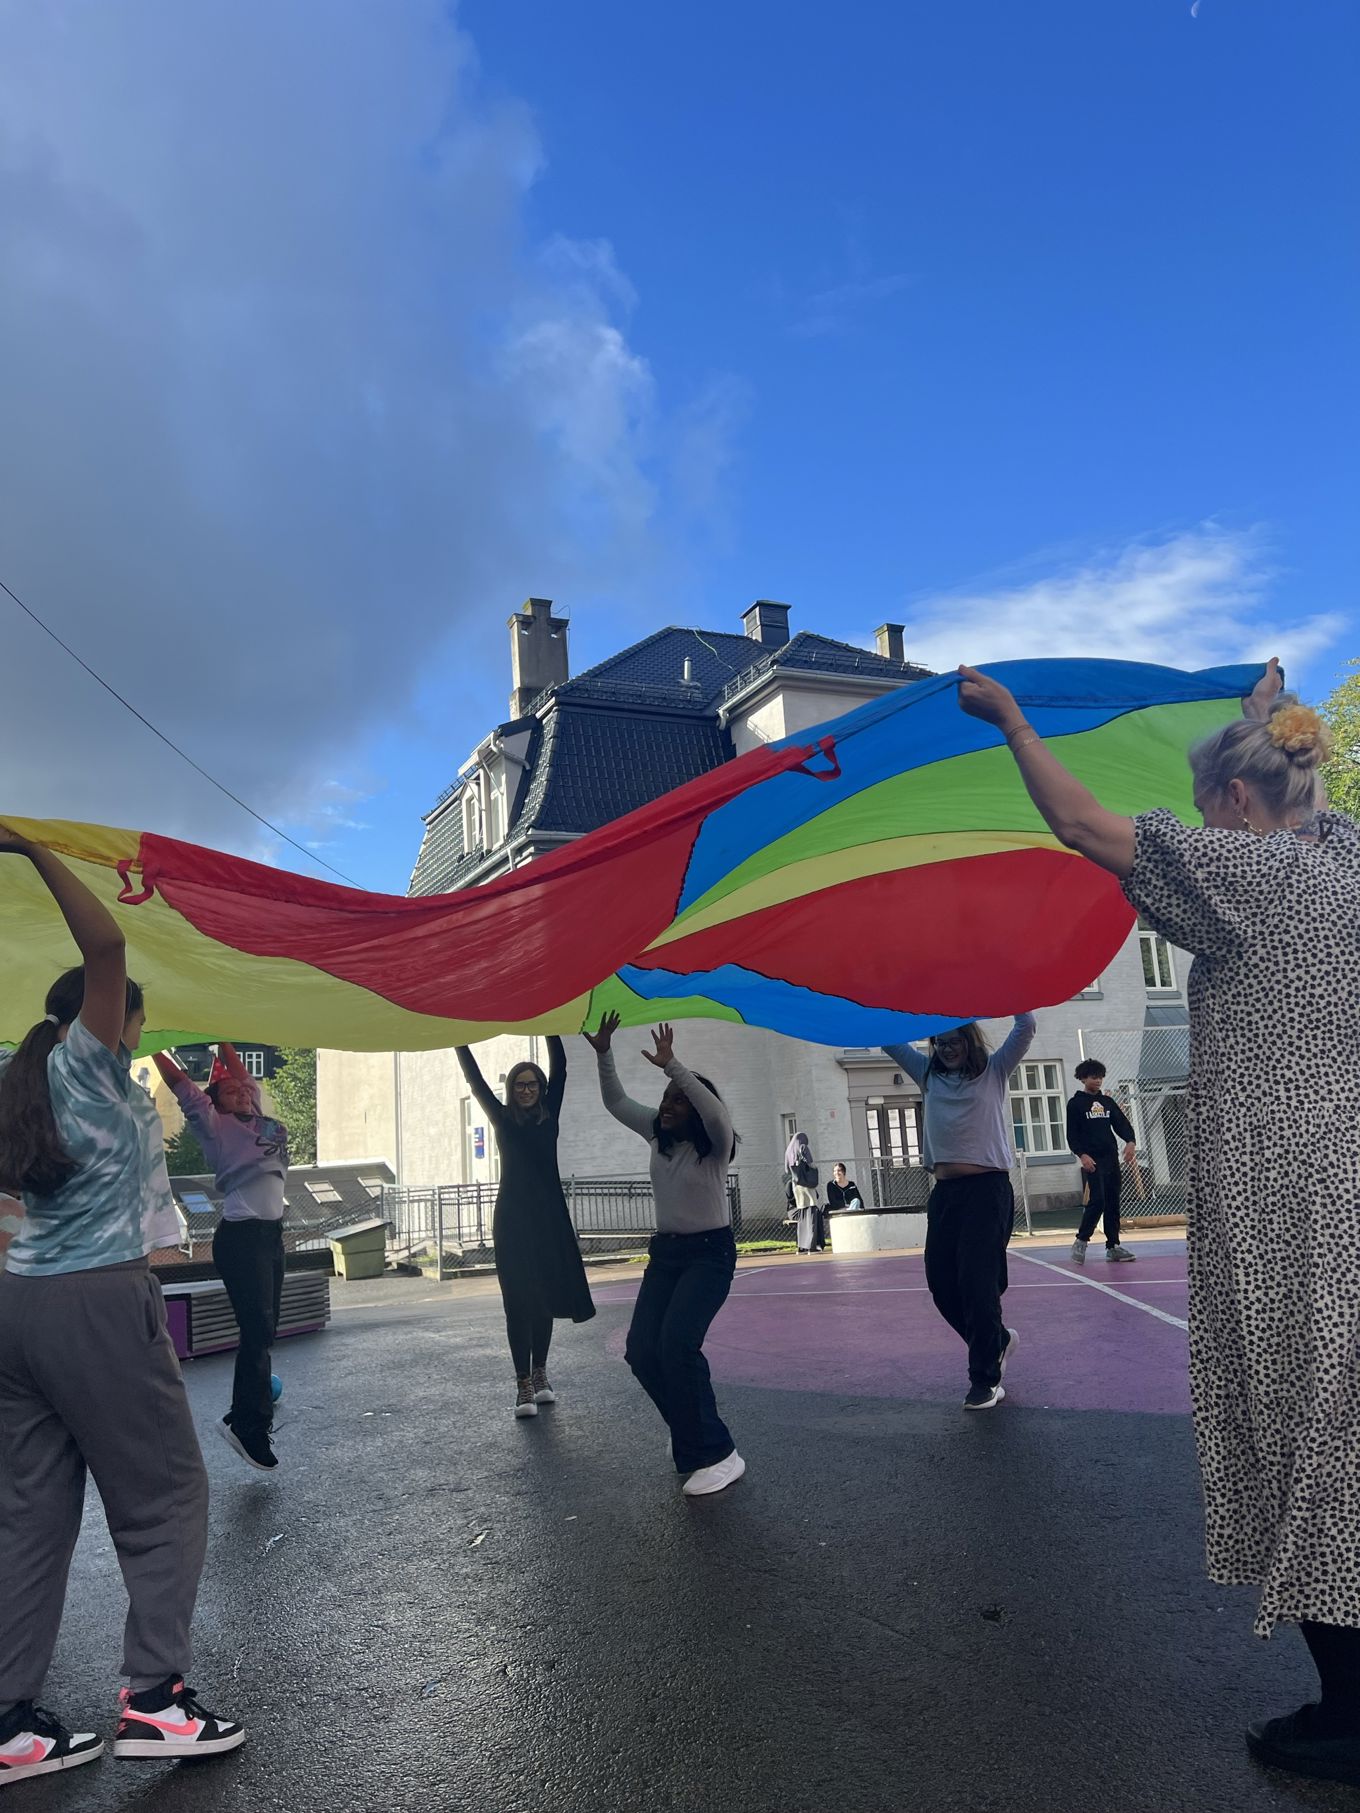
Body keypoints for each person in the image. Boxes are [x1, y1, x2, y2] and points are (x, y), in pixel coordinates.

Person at [956, 655, 1360, 1786]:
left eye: (1205, 805)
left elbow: (1084, 824)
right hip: (1352, 1182)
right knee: (1349, 1428)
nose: (1199, 825)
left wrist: (1013, 721)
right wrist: (1257, 723)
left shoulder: (1253, 877)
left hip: (1290, 1198)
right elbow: (1311, 795)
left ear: (1233, 808)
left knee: (1306, 1436)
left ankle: (1350, 1713)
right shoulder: (1343, 862)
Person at [0, 826, 243, 1788]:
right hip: (99, 1303)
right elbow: (106, 948)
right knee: (166, 1496)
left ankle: (10, 1724)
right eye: (131, 1023)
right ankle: (156, 1700)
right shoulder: (88, 1063)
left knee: (29, 1513)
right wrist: (27, 849)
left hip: (19, 1306)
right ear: (102, 1021)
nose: (136, 1037)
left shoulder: (18, 1086)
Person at [585, 1015, 744, 1496]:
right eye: (667, 1099)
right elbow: (615, 1101)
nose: (668, 1105)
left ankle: (719, 1453)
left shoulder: (714, 1148)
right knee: (642, 1350)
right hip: (667, 1256)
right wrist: (604, 1052)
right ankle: (691, 1434)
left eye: (679, 1100)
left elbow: (717, 1115)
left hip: (709, 1256)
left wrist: (673, 1067)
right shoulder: (657, 1137)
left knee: (678, 1344)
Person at [881, 1016, 1035, 1410]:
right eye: (939, 1043)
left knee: (976, 1283)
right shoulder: (927, 1074)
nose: (945, 1049)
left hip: (987, 1193)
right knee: (942, 1284)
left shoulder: (995, 1071)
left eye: (953, 1042)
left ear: (969, 1041)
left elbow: (1026, 1028)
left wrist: (1010, 989)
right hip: (946, 1193)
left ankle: (984, 1379)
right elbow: (888, 1038)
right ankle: (995, 1341)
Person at [152, 1044, 289, 1471]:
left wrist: (222, 1034)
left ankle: (243, 1414)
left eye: (243, 1089)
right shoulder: (215, 1125)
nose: (241, 1092)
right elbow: (184, 1088)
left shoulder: (261, 1121)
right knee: (257, 1329)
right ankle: (248, 1426)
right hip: (242, 1238)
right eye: (229, 1092)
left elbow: (243, 1076)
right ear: (215, 1102)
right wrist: (154, 1044)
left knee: (266, 1331)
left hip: (271, 1236)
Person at [455, 1038, 594, 1418]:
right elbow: (474, 1079)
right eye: (520, 1085)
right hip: (513, 1221)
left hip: (549, 1218)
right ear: (511, 1091)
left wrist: (548, 1023)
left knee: (545, 1298)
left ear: (541, 1089)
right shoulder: (501, 1117)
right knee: (518, 1301)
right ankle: (522, 1385)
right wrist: (456, 1037)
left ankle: (541, 1374)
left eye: (533, 1084)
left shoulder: (551, 1114)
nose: (527, 1090)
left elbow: (561, 1066)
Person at [1066, 1060, 1138, 1264]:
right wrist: (1082, 1155)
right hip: (1093, 1160)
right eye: (1093, 1077)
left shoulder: (1107, 1103)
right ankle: (1081, 1240)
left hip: (1110, 1158)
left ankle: (1113, 1246)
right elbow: (1072, 1135)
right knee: (1098, 1200)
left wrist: (1130, 1142)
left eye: (1100, 1077)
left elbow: (1122, 1124)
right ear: (1082, 1078)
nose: (1097, 1080)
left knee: (1113, 1200)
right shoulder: (1076, 1104)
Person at [785, 1131, 823, 1253]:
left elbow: (786, 1170)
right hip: (807, 1184)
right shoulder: (803, 1147)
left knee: (802, 1214)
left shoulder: (788, 1151)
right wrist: (814, 1169)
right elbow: (810, 1163)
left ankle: (802, 1246)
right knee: (811, 1211)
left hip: (796, 1185)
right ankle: (812, 1245)